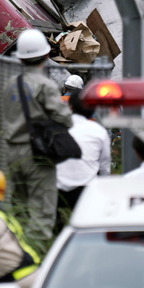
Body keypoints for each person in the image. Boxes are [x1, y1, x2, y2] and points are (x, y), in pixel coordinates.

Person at [1, 28, 73, 249]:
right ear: (45, 56)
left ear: (20, 58)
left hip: (12, 151)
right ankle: (36, 258)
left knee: (20, 207)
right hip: (37, 153)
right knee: (41, 210)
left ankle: (17, 253)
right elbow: (64, 118)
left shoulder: (10, 84)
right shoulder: (45, 85)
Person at [54, 91, 110, 234]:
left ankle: (54, 228)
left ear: (70, 106)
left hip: (55, 189)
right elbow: (105, 169)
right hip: (85, 190)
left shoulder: (56, 127)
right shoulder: (99, 131)